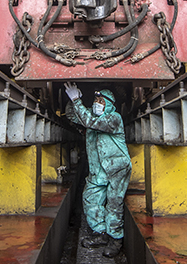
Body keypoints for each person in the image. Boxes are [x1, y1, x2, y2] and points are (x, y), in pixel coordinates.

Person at [64, 82, 132, 258]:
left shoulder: (113, 118)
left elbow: (88, 120)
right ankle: (101, 233)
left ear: (109, 103)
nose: (96, 103)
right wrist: (72, 101)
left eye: (100, 100)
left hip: (117, 169)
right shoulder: (92, 120)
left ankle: (115, 239)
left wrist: (78, 100)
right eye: (95, 99)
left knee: (114, 204)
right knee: (90, 199)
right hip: (98, 171)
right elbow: (73, 116)